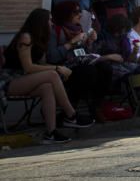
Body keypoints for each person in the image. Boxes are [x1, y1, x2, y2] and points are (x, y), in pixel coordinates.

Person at [2, 9, 94, 144]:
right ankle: (71, 115)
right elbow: (28, 67)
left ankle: (51, 132)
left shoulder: (41, 39)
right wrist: (57, 69)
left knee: (47, 87)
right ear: (40, 22)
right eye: (49, 20)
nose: (51, 23)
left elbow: (42, 64)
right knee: (52, 74)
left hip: (25, 79)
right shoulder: (25, 37)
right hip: (9, 80)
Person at [47, 0, 115, 118]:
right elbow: (52, 57)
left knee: (106, 68)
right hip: (63, 67)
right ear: (66, 13)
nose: (80, 14)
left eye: (80, 11)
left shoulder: (80, 29)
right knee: (88, 71)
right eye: (75, 12)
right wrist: (71, 43)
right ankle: (71, 109)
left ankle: (96, 105)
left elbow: (86, 53)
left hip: (80, 63)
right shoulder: (55, 31)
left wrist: (90, 42)